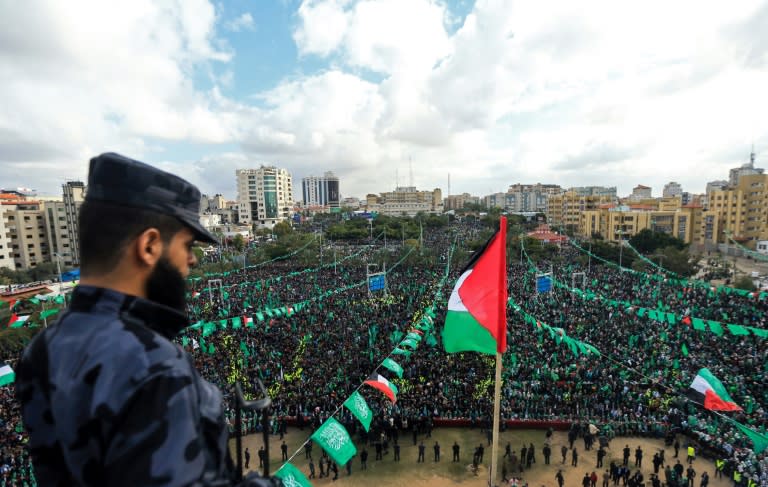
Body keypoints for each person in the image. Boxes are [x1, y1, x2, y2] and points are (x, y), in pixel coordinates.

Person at [15, 153, 276, 486]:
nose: (192, 261)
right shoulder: (151, 363)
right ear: (150, 245)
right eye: (187, 245)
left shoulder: (41, 350)